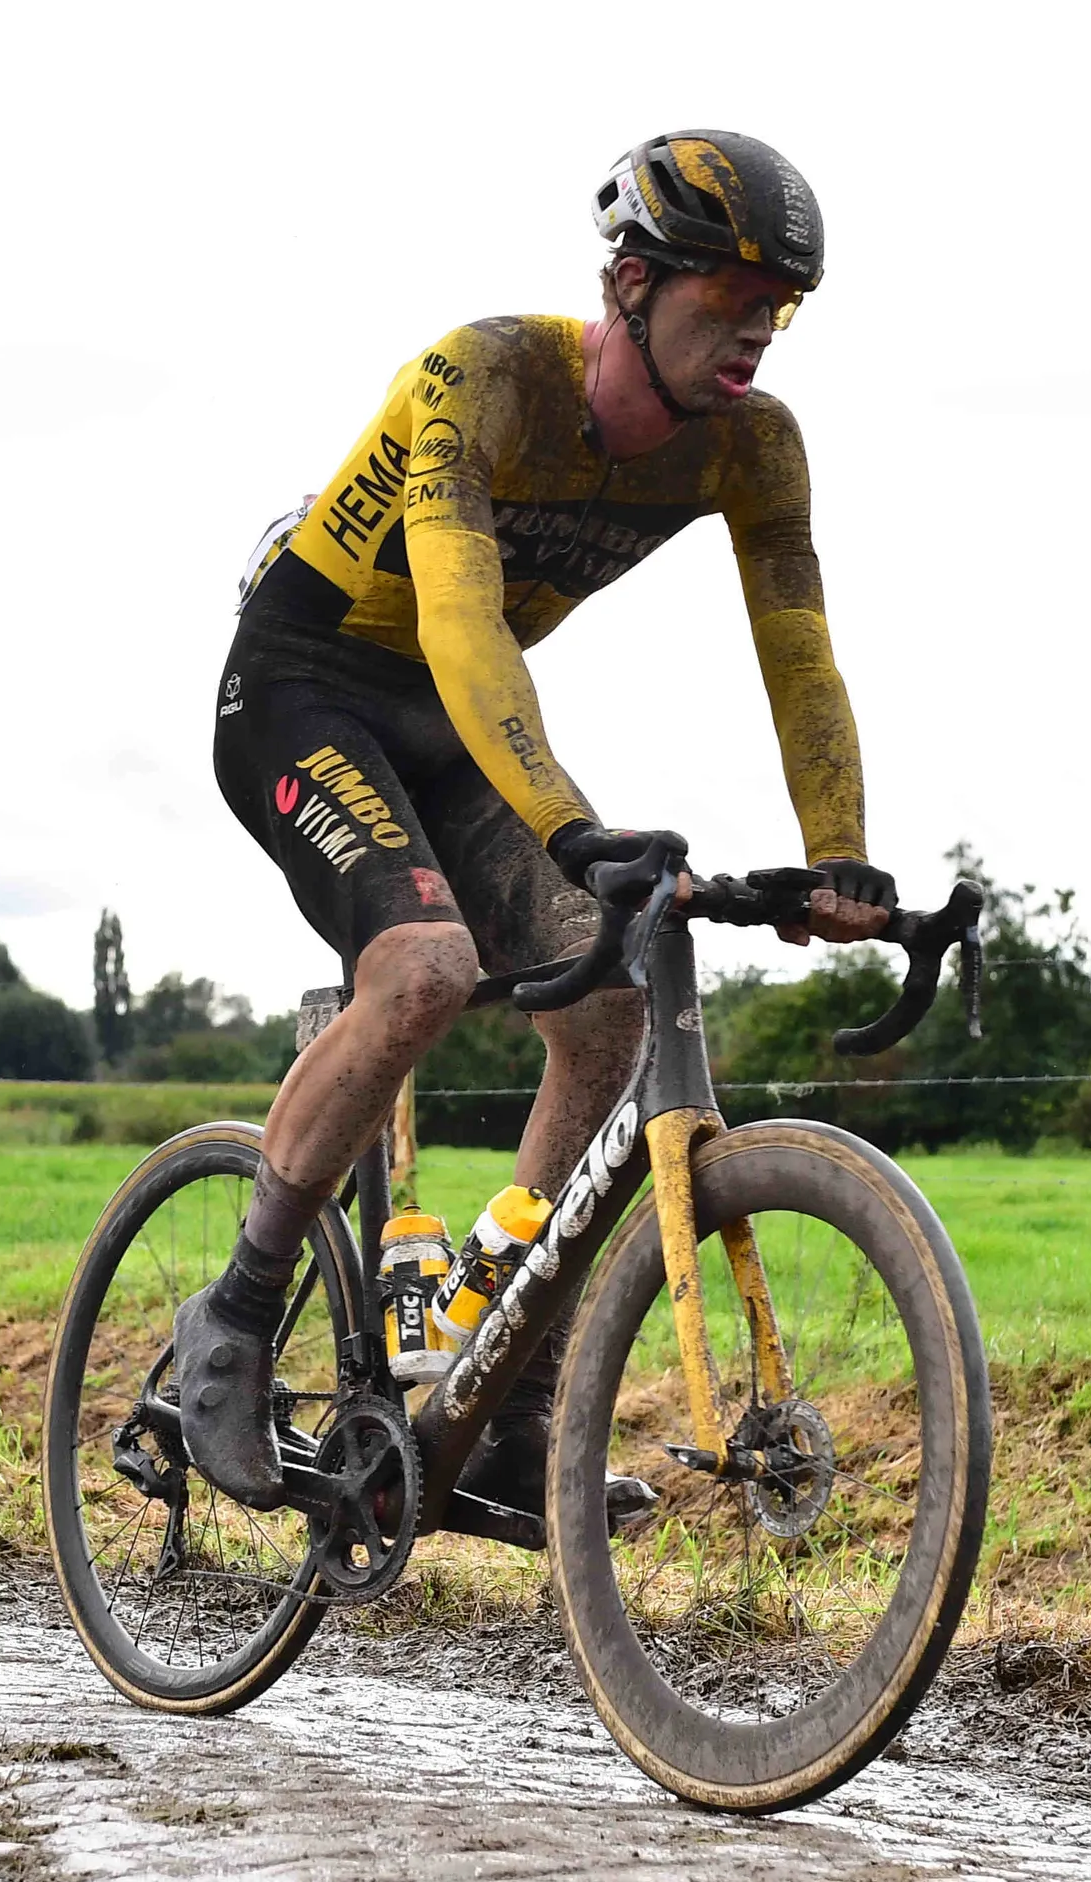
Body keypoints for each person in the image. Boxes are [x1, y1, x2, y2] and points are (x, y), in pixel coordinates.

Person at [186, 132, 900, 1533]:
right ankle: (239, 1304)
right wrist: (570, 825)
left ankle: (507, 1403)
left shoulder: (754, 449)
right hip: (307, 685)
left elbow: (800, 652)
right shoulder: (487, 377)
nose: (759, 326)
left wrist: (841, 854)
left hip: (454, 731)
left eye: (784, 304)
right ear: (632, 280)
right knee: (425, 971)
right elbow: (460, 621)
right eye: (732, 292)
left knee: (618, 1004)